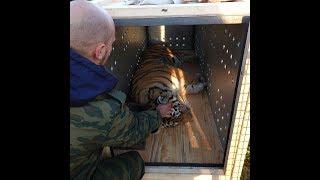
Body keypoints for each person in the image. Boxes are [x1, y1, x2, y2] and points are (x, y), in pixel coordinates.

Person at [70, 0, 172, 179]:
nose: (112, 48)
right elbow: (134, 132)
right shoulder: (103, 110)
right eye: (111, 44)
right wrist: (158, 114)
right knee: (134, 162)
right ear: (100, 51)